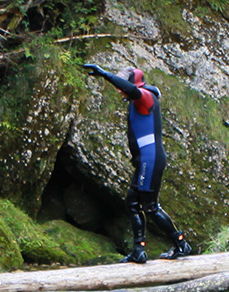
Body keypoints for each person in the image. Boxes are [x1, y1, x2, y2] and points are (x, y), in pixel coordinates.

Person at [81, 63, 196, 263]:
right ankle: (138, 250)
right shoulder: (137, 99)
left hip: (149, 160)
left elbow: (131, 90)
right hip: (145, 160)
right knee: (133, 203)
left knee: (150, 206)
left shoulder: (145, 97)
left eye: (121, 87)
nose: (119, 92)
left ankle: (180, 244)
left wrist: (105, 74)